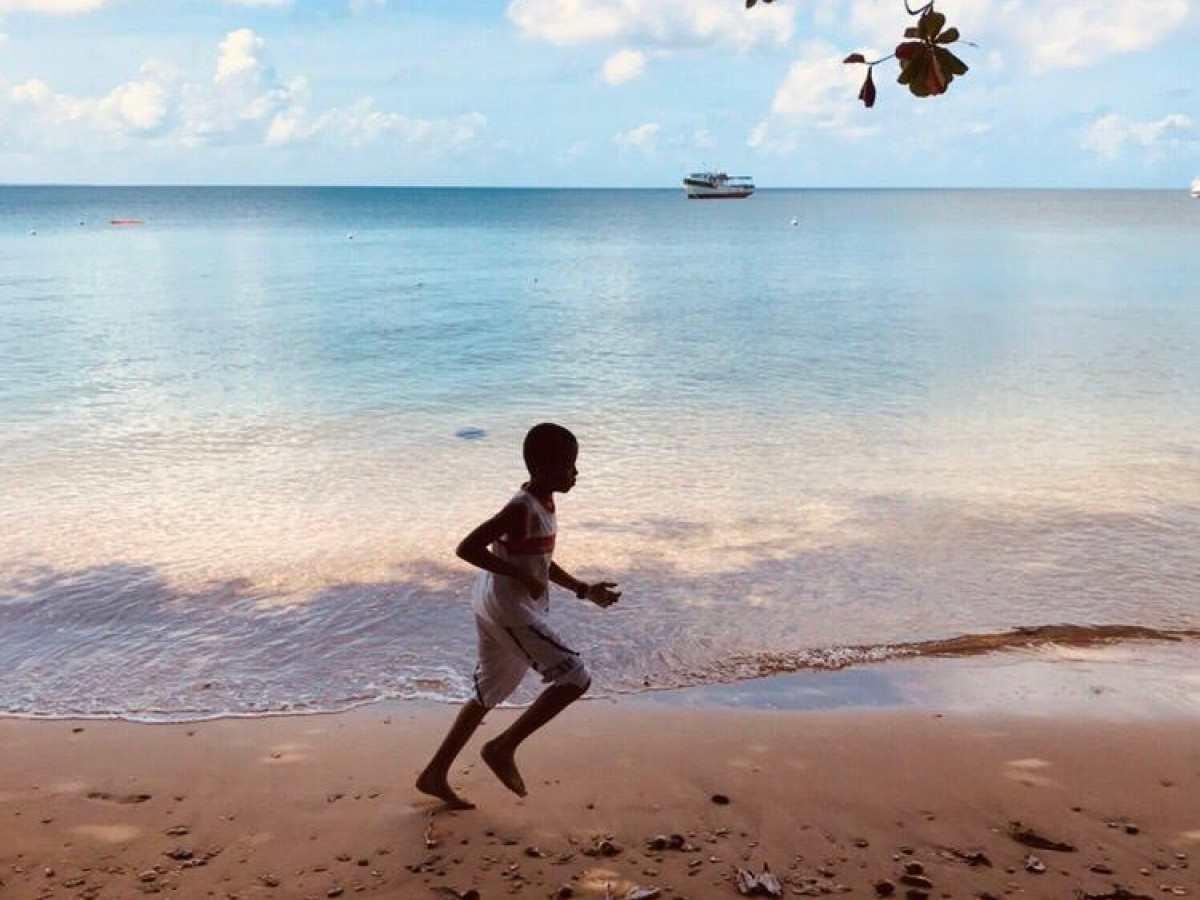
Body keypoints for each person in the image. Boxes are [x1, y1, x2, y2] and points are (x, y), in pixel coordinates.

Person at [415, 423, 621, 809]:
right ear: (542, 469)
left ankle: (434, 774)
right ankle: (502, 747)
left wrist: (583, 589)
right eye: (569, 466)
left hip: (495, 605)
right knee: (575, 678)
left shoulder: (542, 504)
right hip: (508, 612)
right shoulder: (520, 508)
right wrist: (519, 575)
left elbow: (540, 560)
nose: (575, 473)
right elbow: (467, 548)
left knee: (488, 692)